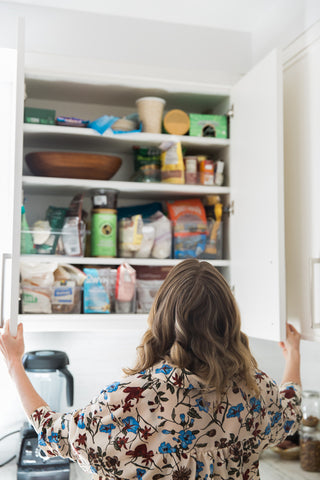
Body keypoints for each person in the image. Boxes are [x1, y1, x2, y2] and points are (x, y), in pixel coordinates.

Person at [0, 259, 302, 480]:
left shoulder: (130, 399)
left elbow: (55, 432)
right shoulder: (257, 391)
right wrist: (294, 355)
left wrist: (15, 364)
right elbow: (290, 410)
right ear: (229, 322)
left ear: (161, 317)